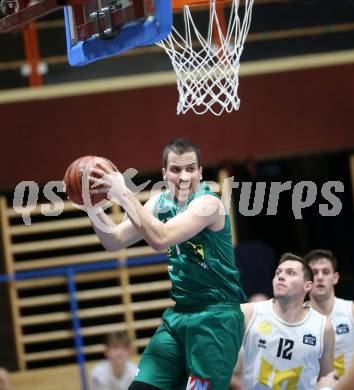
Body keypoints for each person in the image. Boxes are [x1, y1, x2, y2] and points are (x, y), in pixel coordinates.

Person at [85, 139, 247, 390]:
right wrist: (91, 205)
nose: (184, 176)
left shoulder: (208, 204)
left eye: (191, 169)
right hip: (179, 315)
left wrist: (124, 194)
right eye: (175, 169)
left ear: (201, 172)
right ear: (164, 173)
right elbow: (114, 240)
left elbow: (161, 239)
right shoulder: (160, 203)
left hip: (216, 318)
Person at [239, 253, 334, 389]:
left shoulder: (323, 327)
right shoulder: (248, 313)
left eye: (291, 273)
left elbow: (326, 379)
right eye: (278, 272)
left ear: (307, 286)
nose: (281, 276)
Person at [304, 249, 354, 377]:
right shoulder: (296, 316)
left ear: (335, 278)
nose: (320, 277)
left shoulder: (351, 311)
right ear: (306, 280)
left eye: (325, 272)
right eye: (314, 273)